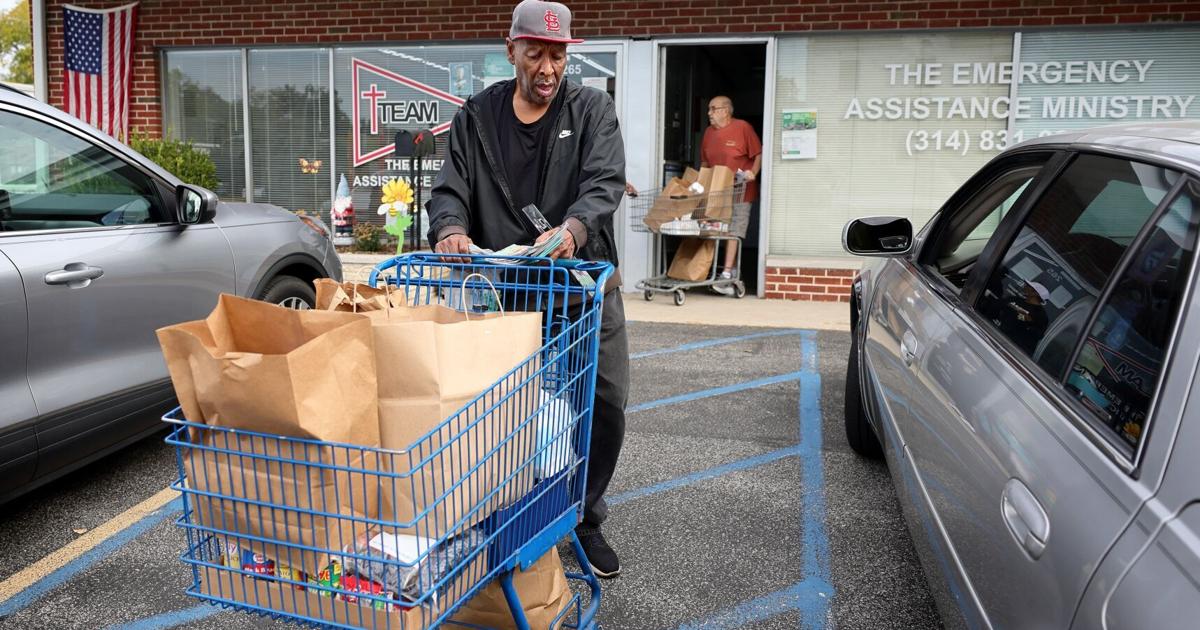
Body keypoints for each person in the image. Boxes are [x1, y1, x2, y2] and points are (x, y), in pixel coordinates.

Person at [426, 0, 629, 579]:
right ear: (510, 48)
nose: (547, 67)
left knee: (604, 400)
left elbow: (603, 180)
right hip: (509, 289)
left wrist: (574, 228)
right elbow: (451, 186)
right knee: (509, 411)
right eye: (535, 52)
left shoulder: (591, 109)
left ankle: (585, 516)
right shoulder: (478, 114)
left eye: (558, 54)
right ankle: (512, 510)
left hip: (580, 283)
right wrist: (452, 229)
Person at [700, 95, 762, 295]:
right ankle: (726, 270)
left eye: (713, 108)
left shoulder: (742, 128)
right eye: (709, 109)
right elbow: (704, 163)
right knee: (716, 229)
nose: (709, 113)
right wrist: (700, 184)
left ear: (725, 110)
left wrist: (753, 171)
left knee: (733, 231)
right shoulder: (709, 133)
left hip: (740, 190)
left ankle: (726, 273)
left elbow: (757, 154)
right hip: (718, 191)